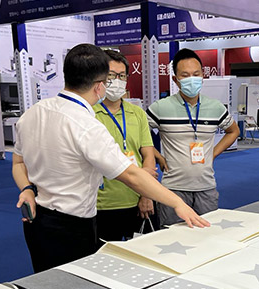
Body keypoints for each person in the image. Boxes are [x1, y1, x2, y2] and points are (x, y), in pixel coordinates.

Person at [13, 44, 208, 273]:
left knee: (45, 280)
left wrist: (27, 188)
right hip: (72, 226)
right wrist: (177, 203)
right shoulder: (86, 126)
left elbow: (18, 162)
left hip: (36, 219)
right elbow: (132, 175)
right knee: (76, 284)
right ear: (99, 86)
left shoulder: (33, 113)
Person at [146, 48, 240, 227]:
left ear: (203, 76)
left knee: (208, 235)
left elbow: (233, 131)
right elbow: (139, 136)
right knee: (173, 234)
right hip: (172, 189)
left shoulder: (215, 107)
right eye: (185, 75)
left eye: (196, 74)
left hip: (206, 186)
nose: (192, 79)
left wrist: (213, 153)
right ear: (175, 79)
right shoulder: (160, 108)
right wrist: (158, 157)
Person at [93, 49, 158, 248]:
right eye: (111, 75)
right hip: (101, 203)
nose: (117, 81)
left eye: (122, 76)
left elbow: (148, 156)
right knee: (104, 259)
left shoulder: (137, 113)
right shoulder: (89, 113)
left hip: (137, 199)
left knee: (144, 254)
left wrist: (146, 194)